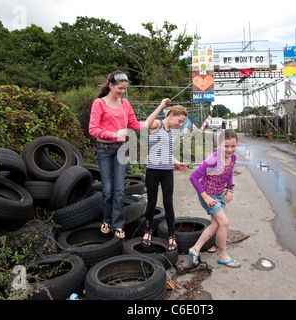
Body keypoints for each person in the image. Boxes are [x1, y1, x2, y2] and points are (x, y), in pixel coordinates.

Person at [88, 71, 169, 239]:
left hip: (120, 149)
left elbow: (137, 125)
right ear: (111, 85)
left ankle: (118, 225)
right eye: (119, 88)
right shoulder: (99, 103)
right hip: (103, 149)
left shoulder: (125, 104)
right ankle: (107, 220)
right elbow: (93, 129)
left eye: (124, 89)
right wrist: (113, 134)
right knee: (108, 189)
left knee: (119, 189)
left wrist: (160, 107)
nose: (122, 92)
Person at [188, 129, 241, 268]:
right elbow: (193, 178)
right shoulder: (212, 160)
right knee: (224, 223)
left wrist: (230, 189)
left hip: (219, 195)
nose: (230, 150)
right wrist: (205, 197)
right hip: (208, 196)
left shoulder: (233, 158)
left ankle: (195, 248)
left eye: (233, 146)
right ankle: (223, 255)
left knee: (216, 225)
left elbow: (229, 173)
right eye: (226, 146)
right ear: (219, 144)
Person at [142, 105, 189, 251]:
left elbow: (167, 153)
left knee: (168, 203)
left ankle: (171, 235)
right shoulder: (157, 125)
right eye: (179, 121)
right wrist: (161, 106)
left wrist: (177, 162)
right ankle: (148, 231)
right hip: (153, 170)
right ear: (171, 115)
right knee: (152, 202)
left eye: (182, 123)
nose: (180, 125)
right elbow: (146, 125)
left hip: (167, 171)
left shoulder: (170, 133)